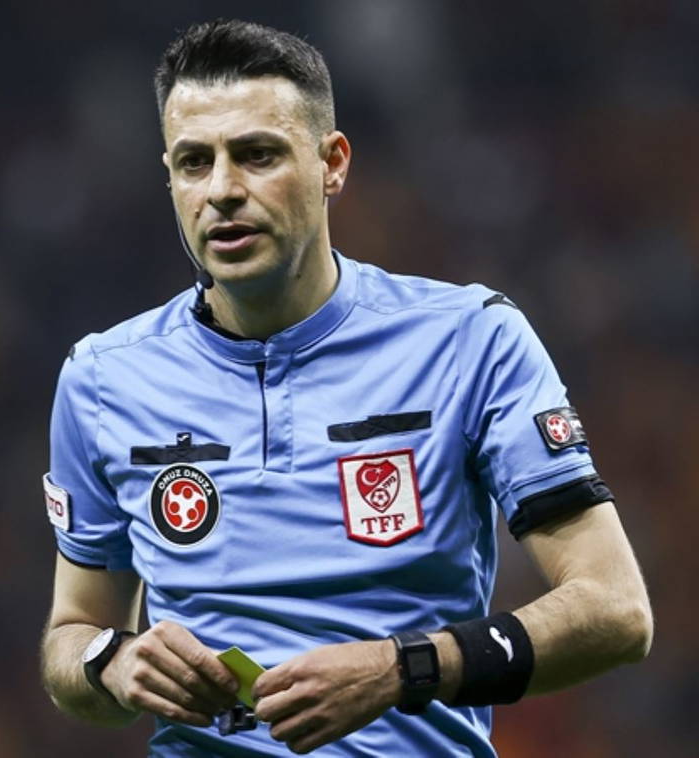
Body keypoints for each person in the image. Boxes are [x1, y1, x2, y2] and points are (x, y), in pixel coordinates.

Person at [39, 19, 652, 757]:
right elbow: (72, 635)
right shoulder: (102, 377)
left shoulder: (470, 340)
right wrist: (114, 662)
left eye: (258, 155)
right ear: (170, 177)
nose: (223, 190)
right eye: (196, 162)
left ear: (332, 164)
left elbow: (616, 610)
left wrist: (403, 669)